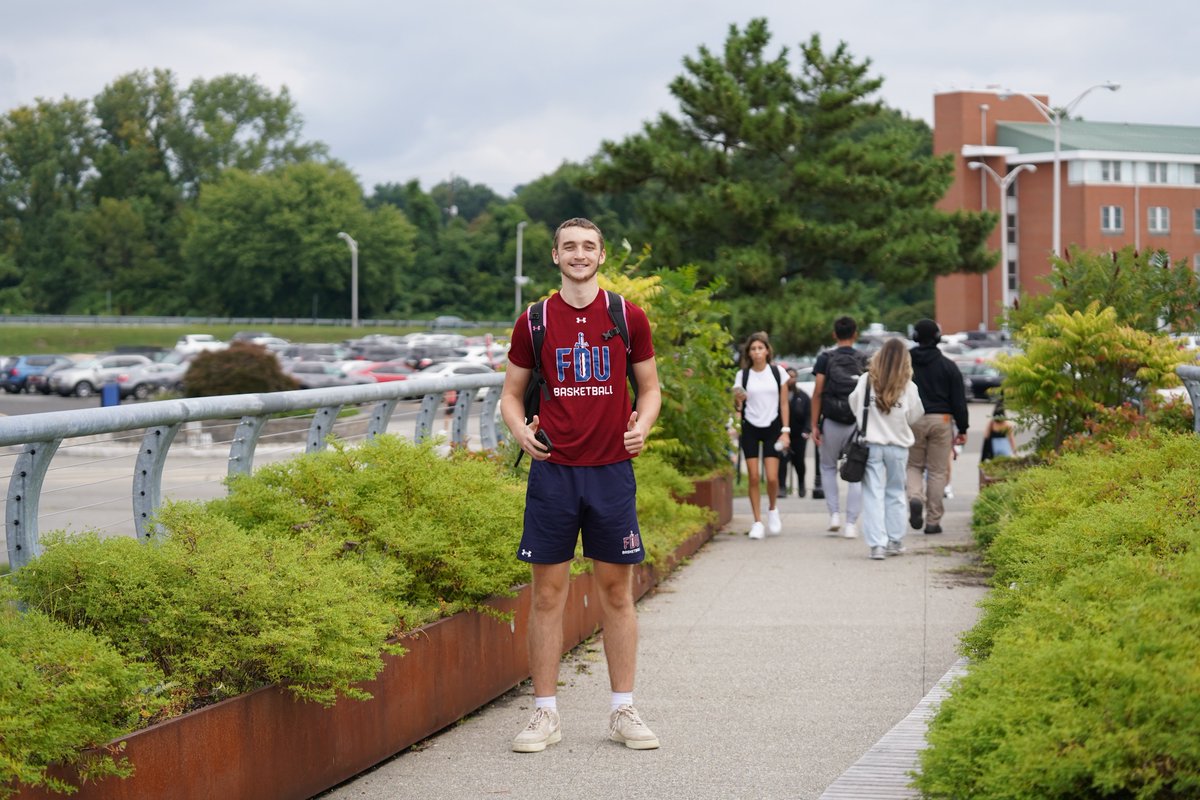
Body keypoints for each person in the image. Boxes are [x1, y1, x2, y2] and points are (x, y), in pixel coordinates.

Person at [500, 217, 663, 753]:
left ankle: (623, 710)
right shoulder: (535, 320)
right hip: (554, 474)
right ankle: (544, 714)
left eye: (588, 246)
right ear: (555, 255)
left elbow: (650, 388)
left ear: (601, 254)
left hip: (612, 471)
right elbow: (511, 393)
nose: (579, 253)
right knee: (547, 594)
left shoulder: (626, 315)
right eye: (569, 246)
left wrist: (642, 425)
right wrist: (521, 431)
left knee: (616, 593)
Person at [849, 338, 925, 560]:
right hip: (898, 446)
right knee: (895, 493)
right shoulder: (909, 387)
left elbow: (853, 404)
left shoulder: (866, 381)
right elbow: (915, 415)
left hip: (871, 445)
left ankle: (876, 545)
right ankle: (895, 540)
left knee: (873, 494)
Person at [906, 319, 969, 535]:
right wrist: (963, 429)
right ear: (937, 338)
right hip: (941, 420)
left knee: (913, 465)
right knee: (937, 471)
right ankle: (933, 521)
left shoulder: (907, 365)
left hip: (913, 419)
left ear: (915, 337)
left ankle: (915, 497)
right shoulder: (948, 366)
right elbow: (959, 401)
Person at [810, 316, 870, 539]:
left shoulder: (825, 358)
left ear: (834, 334)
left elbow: (818, 392)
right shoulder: (863, 358)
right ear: (855, 334)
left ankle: (834, 514)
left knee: (827, 468)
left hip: (831, 420)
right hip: (857, 422)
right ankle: (851, 524)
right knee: (856, 470)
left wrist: (814, 424)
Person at [732, 332, 790, 538]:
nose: (757, 352)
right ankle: (757, 522)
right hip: (750, 426)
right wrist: (738, 407)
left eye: (760, 348)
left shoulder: (777, 373)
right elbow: (738, 404)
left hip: (772, 426)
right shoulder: (743, 375)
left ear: (767, 350)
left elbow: (784, 403)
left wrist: (786, 431)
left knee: (772, 478)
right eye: (753, 349)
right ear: (749, 353)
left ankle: (773, 508)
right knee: (754, 477)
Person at [778, 367, 812, 497]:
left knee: (799, 462)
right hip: (783, 434)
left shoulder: (803, 397)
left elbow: (809, 415)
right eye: (788, 377)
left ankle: (801, 485)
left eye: (793, 376)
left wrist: (806, 430)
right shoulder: (780, 395)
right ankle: (782, 487)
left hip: (798, 435)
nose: (791, 379)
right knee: (782, 462)